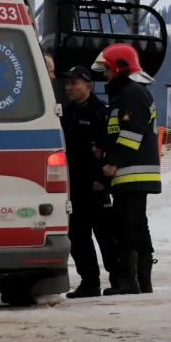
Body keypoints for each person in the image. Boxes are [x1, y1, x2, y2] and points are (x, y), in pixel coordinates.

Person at [93, 44, 160, 296]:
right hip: (131, 172)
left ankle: (132, 282)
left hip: (133, 172)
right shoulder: (128, 93)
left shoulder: (132, 92)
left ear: (120, 68)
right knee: (133, 225)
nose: (105, 75)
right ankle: (140, 282)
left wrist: (112, 162)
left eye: (107, 70)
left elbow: (132, 134)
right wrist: (105, 150)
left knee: (129, 226)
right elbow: (118, 131)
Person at [59, 66, 120, 299]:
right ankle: (89, 282)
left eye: (74, 83)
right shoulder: (64, 113)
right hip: (73, 186)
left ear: (87, 86)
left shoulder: (100, 113)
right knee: (77, 235)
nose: (69, 88)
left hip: (96, 185)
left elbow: (109, 149)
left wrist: (102, 181)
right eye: (67, 84)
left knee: (105, 235)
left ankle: (118, 279)